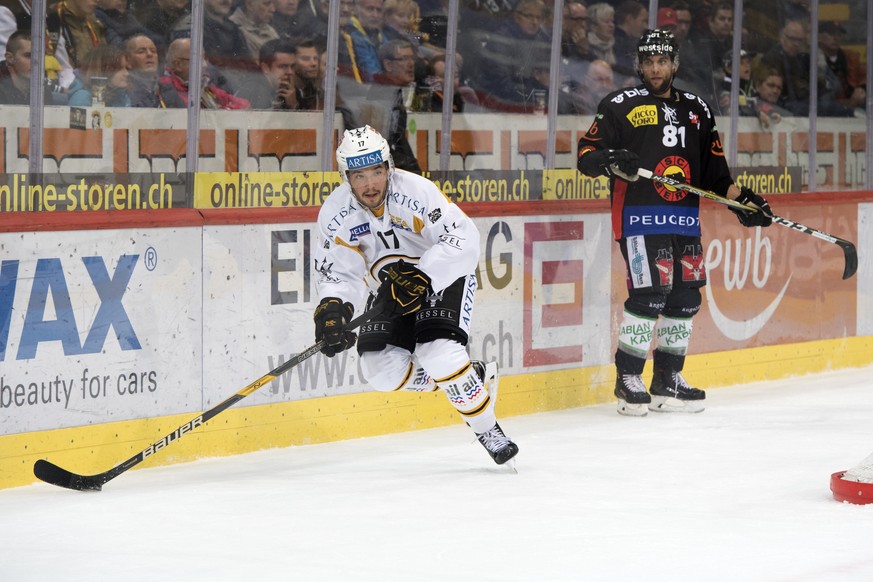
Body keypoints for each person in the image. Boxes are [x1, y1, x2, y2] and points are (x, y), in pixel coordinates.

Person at [576, 29, 774, 416]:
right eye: (648, 61)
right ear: (638, 63)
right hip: (638, 217)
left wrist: (743, 202)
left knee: (684, 298)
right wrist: (613, 158)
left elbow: (716, 174)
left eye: (661, 61)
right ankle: (628, 376)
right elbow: (587, 155)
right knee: (650, 294)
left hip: (684, 219)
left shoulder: (697, 109)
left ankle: (667, 376)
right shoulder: (620, 104)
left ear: (675, 64)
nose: (654, 68)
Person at [312, 125, 519, 465]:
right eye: (359, 175)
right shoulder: (335, 213)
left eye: (377, 171)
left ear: (388, 166)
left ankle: (487, 430)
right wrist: (334, 310)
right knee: (380, 371)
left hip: (441, 279)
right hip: (390, 290)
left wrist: (424, 275)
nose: (371, 184)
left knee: (440, 354)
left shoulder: (417, 191)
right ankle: (469, 379)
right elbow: (338, 272)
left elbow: (462, 238)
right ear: (345, 176)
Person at [157, 37, 250, 109]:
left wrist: (225, 112)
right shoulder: (164, 89)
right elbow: (181, 120)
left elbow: (244, 104)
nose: (205, 65)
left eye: (204, 58)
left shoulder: (204, 86)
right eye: (198, 59)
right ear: (178, 65)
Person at [66, 43, 130, 106]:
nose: (127, 73)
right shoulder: (82, 99)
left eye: (126, 68)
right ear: (103, 71)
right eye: (119, 69)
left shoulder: (123, 97)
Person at [124, 33, 160, 107]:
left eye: (153, 51)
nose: (149, 54)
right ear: (128, 60)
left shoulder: (167, 87)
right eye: (141, 51)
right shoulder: (124, 89)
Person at [0, 29, 30, 104]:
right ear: (10, 58)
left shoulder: (42, 88)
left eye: (40, 56)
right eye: (28, 56)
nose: (36, 62)